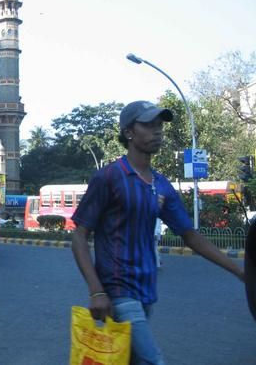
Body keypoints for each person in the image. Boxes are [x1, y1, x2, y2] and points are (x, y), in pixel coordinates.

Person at [71, 100, 245, 365]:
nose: (158, 131)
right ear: (129, 132)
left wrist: (241, 272)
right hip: (118, 290)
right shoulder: (109, 177)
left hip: (147, 292)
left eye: (160, 126)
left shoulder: (161, 184)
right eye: (149, 125)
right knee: (153, 361)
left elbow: (190, 235)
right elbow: (79, 236)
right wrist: (96, 291)